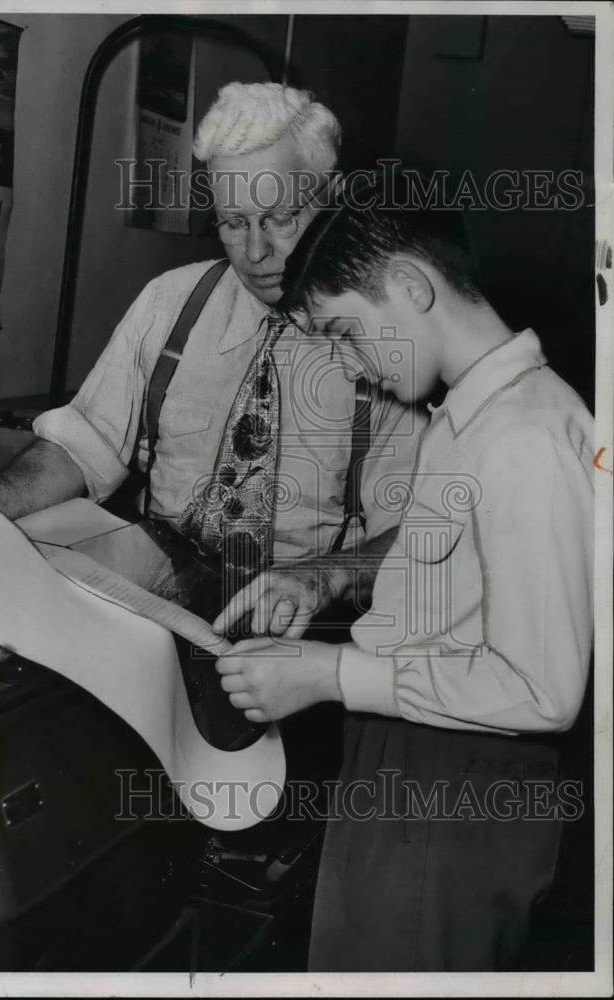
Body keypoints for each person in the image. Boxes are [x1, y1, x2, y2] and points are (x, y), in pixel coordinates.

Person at [213, 178, 594, 970]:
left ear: (411, 287)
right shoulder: (474, 416)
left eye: (346, 332)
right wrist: (323, 581)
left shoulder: (523, 436)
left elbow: (542, 691)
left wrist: (329, 675)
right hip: (412, 755)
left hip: (455, 785)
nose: (350, 369)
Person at [0, 83, 425, 602]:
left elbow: (415, 531)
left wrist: (322, 578)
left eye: (280, 218)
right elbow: (82, 445)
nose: (255, 251)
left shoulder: (383, 339)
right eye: (233, 222)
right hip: (161, 584)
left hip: (301, 617)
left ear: (328, 200)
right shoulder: (171, 302)